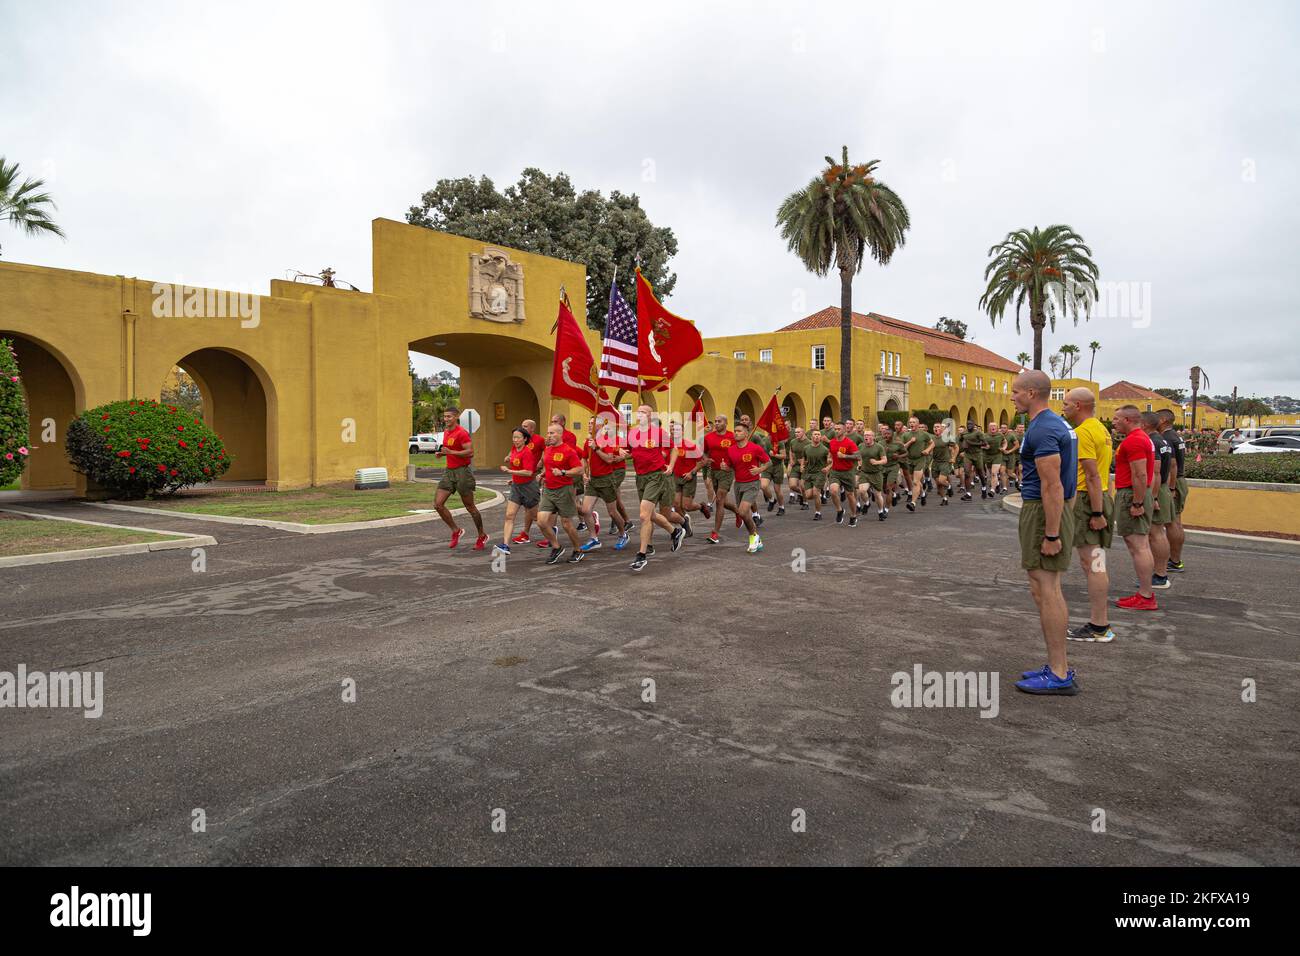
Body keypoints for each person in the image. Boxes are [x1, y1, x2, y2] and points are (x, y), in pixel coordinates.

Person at [1010, 370, 1080, 695]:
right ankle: (1056, 665)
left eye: (1016, 392)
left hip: (1043, 512)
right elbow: (1066, 483)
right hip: (1048, 510)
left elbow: (1053, 485)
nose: (1012, 397)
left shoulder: (1044, 428)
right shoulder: (1051, 424)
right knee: (1041, 587)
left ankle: (1059, 672)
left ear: (1032, 393)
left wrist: (1052, 533)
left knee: (1048, 589)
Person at [1061, 388, 1115, 642]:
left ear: (1079, 405)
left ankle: (1098, 625)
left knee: (1092, 563)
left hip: (1088, 499)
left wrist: (1095, 511)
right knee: (1096, 562)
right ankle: (1100, 623)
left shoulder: (1082, 432)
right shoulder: (1101, 429)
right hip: (1099, 495)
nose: (1063, 408)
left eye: (1066, 404)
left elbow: (1092, 475)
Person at [628, 406, 687, 571]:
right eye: (638, 411)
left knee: (643, 515)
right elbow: (630, 452)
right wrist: (621, 453)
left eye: (644, 412)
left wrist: (671, 466)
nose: (640, 414)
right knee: (651, 514)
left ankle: (641, 555)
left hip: (656, 476)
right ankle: (674, 532)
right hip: (640, 477)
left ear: (651, 415)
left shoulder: (659, 432)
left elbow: (674, 449)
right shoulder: (633, 433)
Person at [1111, 405, 1158, 610]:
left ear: (1128, 420)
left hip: (1132, 493)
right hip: (1134, 493)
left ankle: (1146, 596)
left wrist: (1137, 503)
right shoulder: (1139, 438)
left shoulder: (1135, 440)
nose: (1113, 422)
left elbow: (1140, 475)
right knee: (1138, 545)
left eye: (1117, 418)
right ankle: (1145, 594)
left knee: (1139, 545)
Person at [536, 422, 595, 565]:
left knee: (567, 524)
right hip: (549, 490)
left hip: (564, 490)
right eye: (548, 433)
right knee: (542, 521)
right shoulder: (548, 450)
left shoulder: (568, 451)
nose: (549, 436)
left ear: (560, 434)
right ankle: (556, 547)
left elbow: (579, 470)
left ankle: (577, 550)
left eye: (552, 433)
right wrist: (543, 475)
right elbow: (549, 468)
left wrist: (563, 472)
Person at [435, 406, 488, 550]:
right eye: (445, 416)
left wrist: (450, 451)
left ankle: (482, 535)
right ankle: (456, 531)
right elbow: (450, 451)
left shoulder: (462, 433)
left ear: (456, 417)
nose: (446, 419)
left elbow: (470, 453)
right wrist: (443, 454)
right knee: (438, 504)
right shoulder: (446, 432)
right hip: (449, 472)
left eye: (449, 417)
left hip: (463, 472)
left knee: (470, 506)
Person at [583, 417, 632, 551]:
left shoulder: (607, 439)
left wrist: (596, 448)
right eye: (589, 423)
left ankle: (623, 534)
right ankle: (594, 539)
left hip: (606, 479)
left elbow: (609, 459)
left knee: (612, 511)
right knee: (585, 510)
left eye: (592, 423)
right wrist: (584, 474)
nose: (589, 425)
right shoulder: (588, 440)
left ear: (600, 425)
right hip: (593, 480)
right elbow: (584, 458)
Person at [727, 421, 770, 553]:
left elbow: (768, 462)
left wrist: (760, 469)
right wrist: (725, 467)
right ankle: (756, 536)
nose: (736, 433)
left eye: (739, 431)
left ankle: (753, 537)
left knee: (743, 511)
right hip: (738, 483)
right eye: (735, 431)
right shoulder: (731, 449)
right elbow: (731, 466)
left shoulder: (754, 448)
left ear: (746, 434)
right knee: (742, 513)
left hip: (752, 483)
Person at [495, 427, 539, 555]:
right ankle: (505, 545)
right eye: (514, 437)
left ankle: (551, 533)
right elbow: (513, 460)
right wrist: (513, 477)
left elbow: (529, 472)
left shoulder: (527, 452)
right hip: (516, 487)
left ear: (525, 439)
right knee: (509, 516)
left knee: (538, 518)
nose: (515, 440)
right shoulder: (514, 449)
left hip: (529, 488)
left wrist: (510, 471)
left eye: (518, 437)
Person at [1142, 412, 1174, 590]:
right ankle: (1159, 573)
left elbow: (1155, 471)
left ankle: (1160, 575)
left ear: (1145, 424)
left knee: (1156, 533)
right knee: (1157, 533)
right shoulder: (1163, 441)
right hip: (1162, 487)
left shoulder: (1153, 441)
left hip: (1156, 488)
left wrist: (1153, 497)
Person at [1158, 409, 1188, 573]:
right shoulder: (1176, 436)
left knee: (1172, 522)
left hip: (1174, 481)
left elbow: (1173, 465)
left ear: (1162, 420)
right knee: (1176, 522)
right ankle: (1175, 560)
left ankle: (1175, 561)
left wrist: (1171, 487)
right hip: (1179, 480)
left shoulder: (1167, 438)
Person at [703, 415, 740, 544]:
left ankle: (715, 533)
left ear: (726, 423)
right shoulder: (708, 437)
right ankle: (737, 511)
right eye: (716, 421)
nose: (717, 423)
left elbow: (739, 452)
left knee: (719, 500)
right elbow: (703, 452)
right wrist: (706, 459)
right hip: (714, 471)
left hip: (727, 472)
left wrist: (731, 466)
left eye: (720, 421)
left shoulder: (732, 437)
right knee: (722, 501)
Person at [515, 418, 546, 546]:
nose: (523, 427)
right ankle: (526, 533)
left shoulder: (539, 440)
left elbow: (547, 451)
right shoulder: (522, 440)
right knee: (528, 507)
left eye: (525, 426)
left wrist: (542, 466)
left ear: (532, 429)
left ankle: (548, 533)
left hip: (534, 476)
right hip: (524, 476)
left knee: (534, 508)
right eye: (522, 425)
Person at [670, 420, 706, 532]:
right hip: (674, 478)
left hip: (688, 478)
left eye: (677, 430)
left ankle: (702, 506)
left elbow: (702, 461)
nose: (674, 431)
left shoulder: (690, 446)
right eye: (672, 429)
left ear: (682, 431)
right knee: (676, 505)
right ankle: (685, 525)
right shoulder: (668, 445)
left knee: (687, 506)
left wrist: (692, 472)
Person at [826, 422, 861, 526]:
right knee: (833, 491)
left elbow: (858, 456)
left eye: (839, 429)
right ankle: (839, 510)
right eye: (835, 429)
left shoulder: (850, 443)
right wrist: (829, 458)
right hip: (835, 471)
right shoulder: (832, 442)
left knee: (850, 495)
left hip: (848, 472)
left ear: (844, 430)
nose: (837, 431)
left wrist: (845, 456)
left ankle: (853, 516)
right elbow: (831, 453)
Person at [856, 428, 889, 520]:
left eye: (868, 435)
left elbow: (885, 460)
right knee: (862, 491)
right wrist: (859, 465)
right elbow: (859, 457)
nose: (866, 437)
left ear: (873, 437)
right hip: (864, 473)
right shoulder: (861, 446)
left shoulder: (879, 447)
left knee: (877, 494)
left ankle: (880, 512)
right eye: (865, 435)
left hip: (876, 473)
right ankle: (867, 503)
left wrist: (876, 462)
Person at [902, 417, 933, 511]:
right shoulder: (906, 435)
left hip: (920, 459)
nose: (911, 424)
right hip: (909, 460)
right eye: (910, 422)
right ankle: (923, 493)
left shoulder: (924, 434)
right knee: (914, 481)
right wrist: (910, 442)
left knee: (915, 482)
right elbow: (902, 448)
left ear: (918, 423)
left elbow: (932, 443)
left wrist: (927, 450)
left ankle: (913, 503)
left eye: (913, 422)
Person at [801, 429, 830, 520]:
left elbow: (831, 461)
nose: (817, 436)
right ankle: (819, 496)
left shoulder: (825, 450)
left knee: (815, 492)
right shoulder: (806, 448)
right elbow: (803, 458)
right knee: (809, 495)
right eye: (815, 434)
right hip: (809, 473)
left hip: (819, 473)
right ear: (811, 437)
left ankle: (818, 513)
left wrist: (827, 468)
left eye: (818, 434)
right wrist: (802, 465)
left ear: (821, 437)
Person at [930, 421, 955, 505]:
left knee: (941, 480)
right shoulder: (931, 438)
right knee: (938, 484)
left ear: (942, 429)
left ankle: (949, 486)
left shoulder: (946, 438)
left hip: (945, 462)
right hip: (935, 462)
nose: (936, 428)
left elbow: (956, 447)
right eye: (934, 427)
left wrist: (953, 457)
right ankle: (944, 498)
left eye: (938, 427)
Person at [786, 426, 808, 508]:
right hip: (795, 465)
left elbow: (810, 456)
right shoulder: (793, 441)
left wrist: (803, 463)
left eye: (799, 432)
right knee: (792, 485)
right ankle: (802, 494)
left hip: (805, 466)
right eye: (795, 432)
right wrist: (791, 459)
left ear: (803, 432)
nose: (796, 434)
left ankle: (805, 503)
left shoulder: (808, 442)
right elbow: (791, 451)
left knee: (802, 486)